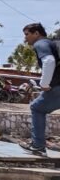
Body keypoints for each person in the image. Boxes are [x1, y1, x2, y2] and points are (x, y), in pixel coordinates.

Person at [21, 23, 59, 155]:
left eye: (27, 35)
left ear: (36, 33)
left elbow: (49, 61)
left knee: (36, 108)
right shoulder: (52, 43)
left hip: (57, 88)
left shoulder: (40, 44)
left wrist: (44, 84)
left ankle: (38, 146)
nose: (25, 39)